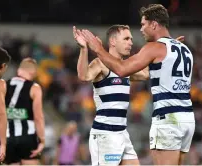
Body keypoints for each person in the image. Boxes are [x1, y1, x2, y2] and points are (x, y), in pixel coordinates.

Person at [80, 4, 195, 165]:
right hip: (187, 119)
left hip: (168, 119)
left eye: (143, 24)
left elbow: (122, 69)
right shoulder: (184, 49)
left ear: (154, 24)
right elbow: (151, 71)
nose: (140, 30)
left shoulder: (154, 47)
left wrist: (98, 48)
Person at [74, 25, 149, 166]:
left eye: (131, 39)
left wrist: (160, 49)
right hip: (105, 134)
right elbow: (83, 76)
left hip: (122, 133)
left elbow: (145, 74)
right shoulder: (100, 63)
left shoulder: (125, 68)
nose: (130, 42)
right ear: (113, 41)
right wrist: (83, 49)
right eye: (126, 38)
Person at [4, 58, 45, 165]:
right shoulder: (34, 88)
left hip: (8, 137)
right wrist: (42, 140)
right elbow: (38, 117)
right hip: (27, 136)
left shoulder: (3, 85)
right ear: (34, 72)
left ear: (19, 70)